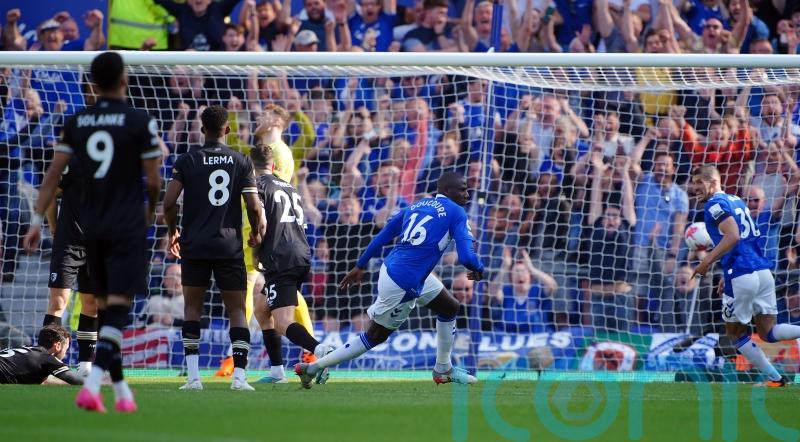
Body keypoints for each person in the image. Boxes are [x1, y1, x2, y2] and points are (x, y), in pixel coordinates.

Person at [23, 51, 162, 412]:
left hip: (95, 229)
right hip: (119, 228)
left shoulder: (78, 123)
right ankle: (88, 378)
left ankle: (112, 387)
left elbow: (52, 174)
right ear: (123, 80)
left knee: (101, 306)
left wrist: (36, 222)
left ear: (92, 84)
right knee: (114, 309)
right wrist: (149, 213)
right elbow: (153, 181)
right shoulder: (139, 120)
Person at [295, 172, 485, 388]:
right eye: (462, 189)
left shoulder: (418, 205)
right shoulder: (457, 212)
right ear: (447, 191)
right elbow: (467, 257)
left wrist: (360, 265)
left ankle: (443, 368)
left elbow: (384, 234)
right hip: (404, 282)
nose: (467, 194)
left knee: (450, 306)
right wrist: (479, 269)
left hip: (395, 269)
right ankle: (311, 369)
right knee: (374, 336)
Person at [163, 106, 265, 391]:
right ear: (227, 130)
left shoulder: (187, 159)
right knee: (235, 311)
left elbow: (169, 203)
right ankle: (240, 377)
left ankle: (194, 378)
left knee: (192, 309)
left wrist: (173, 232)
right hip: (228, 245)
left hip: (194, 244)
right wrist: (256, 233)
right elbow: (254, 206)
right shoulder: (241, 161)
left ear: (201, 129)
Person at [690, 165, 800, 387]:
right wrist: (726, 274)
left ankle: (775, 379)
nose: (696, 189)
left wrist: (705, 262)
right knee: (768, 332)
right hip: (761, 271)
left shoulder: (714, 205)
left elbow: (733, 236)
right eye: (694, 185)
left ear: (712, 182)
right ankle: (776, 380)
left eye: (699, 183)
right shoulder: (737, 201)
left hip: (742, 273)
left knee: (735, 333)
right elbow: (745, 240)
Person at [250, 144, 331, 385]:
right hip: (300, 251)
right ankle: (277, 372)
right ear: (273, 166)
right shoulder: (289, 187)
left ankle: (323, 353)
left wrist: (256, 249)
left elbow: (260, 220)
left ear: (251, 167)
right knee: (262, 310)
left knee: (283, 320)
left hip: (281, 256)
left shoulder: (257, 185)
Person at [40, 154, 98, 378]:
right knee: (58, 302)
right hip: (69, 243)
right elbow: (50, 193)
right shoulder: (74, 163)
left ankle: (85, 366)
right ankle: (46, 363)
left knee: (91, 304)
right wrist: (54, 227)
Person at [0, 325, 83, 385]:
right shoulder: (47, 357)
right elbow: (78, 382)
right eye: (66, 349)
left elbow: (45, 381)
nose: (65, 354)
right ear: (58, 346)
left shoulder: (26, 350)